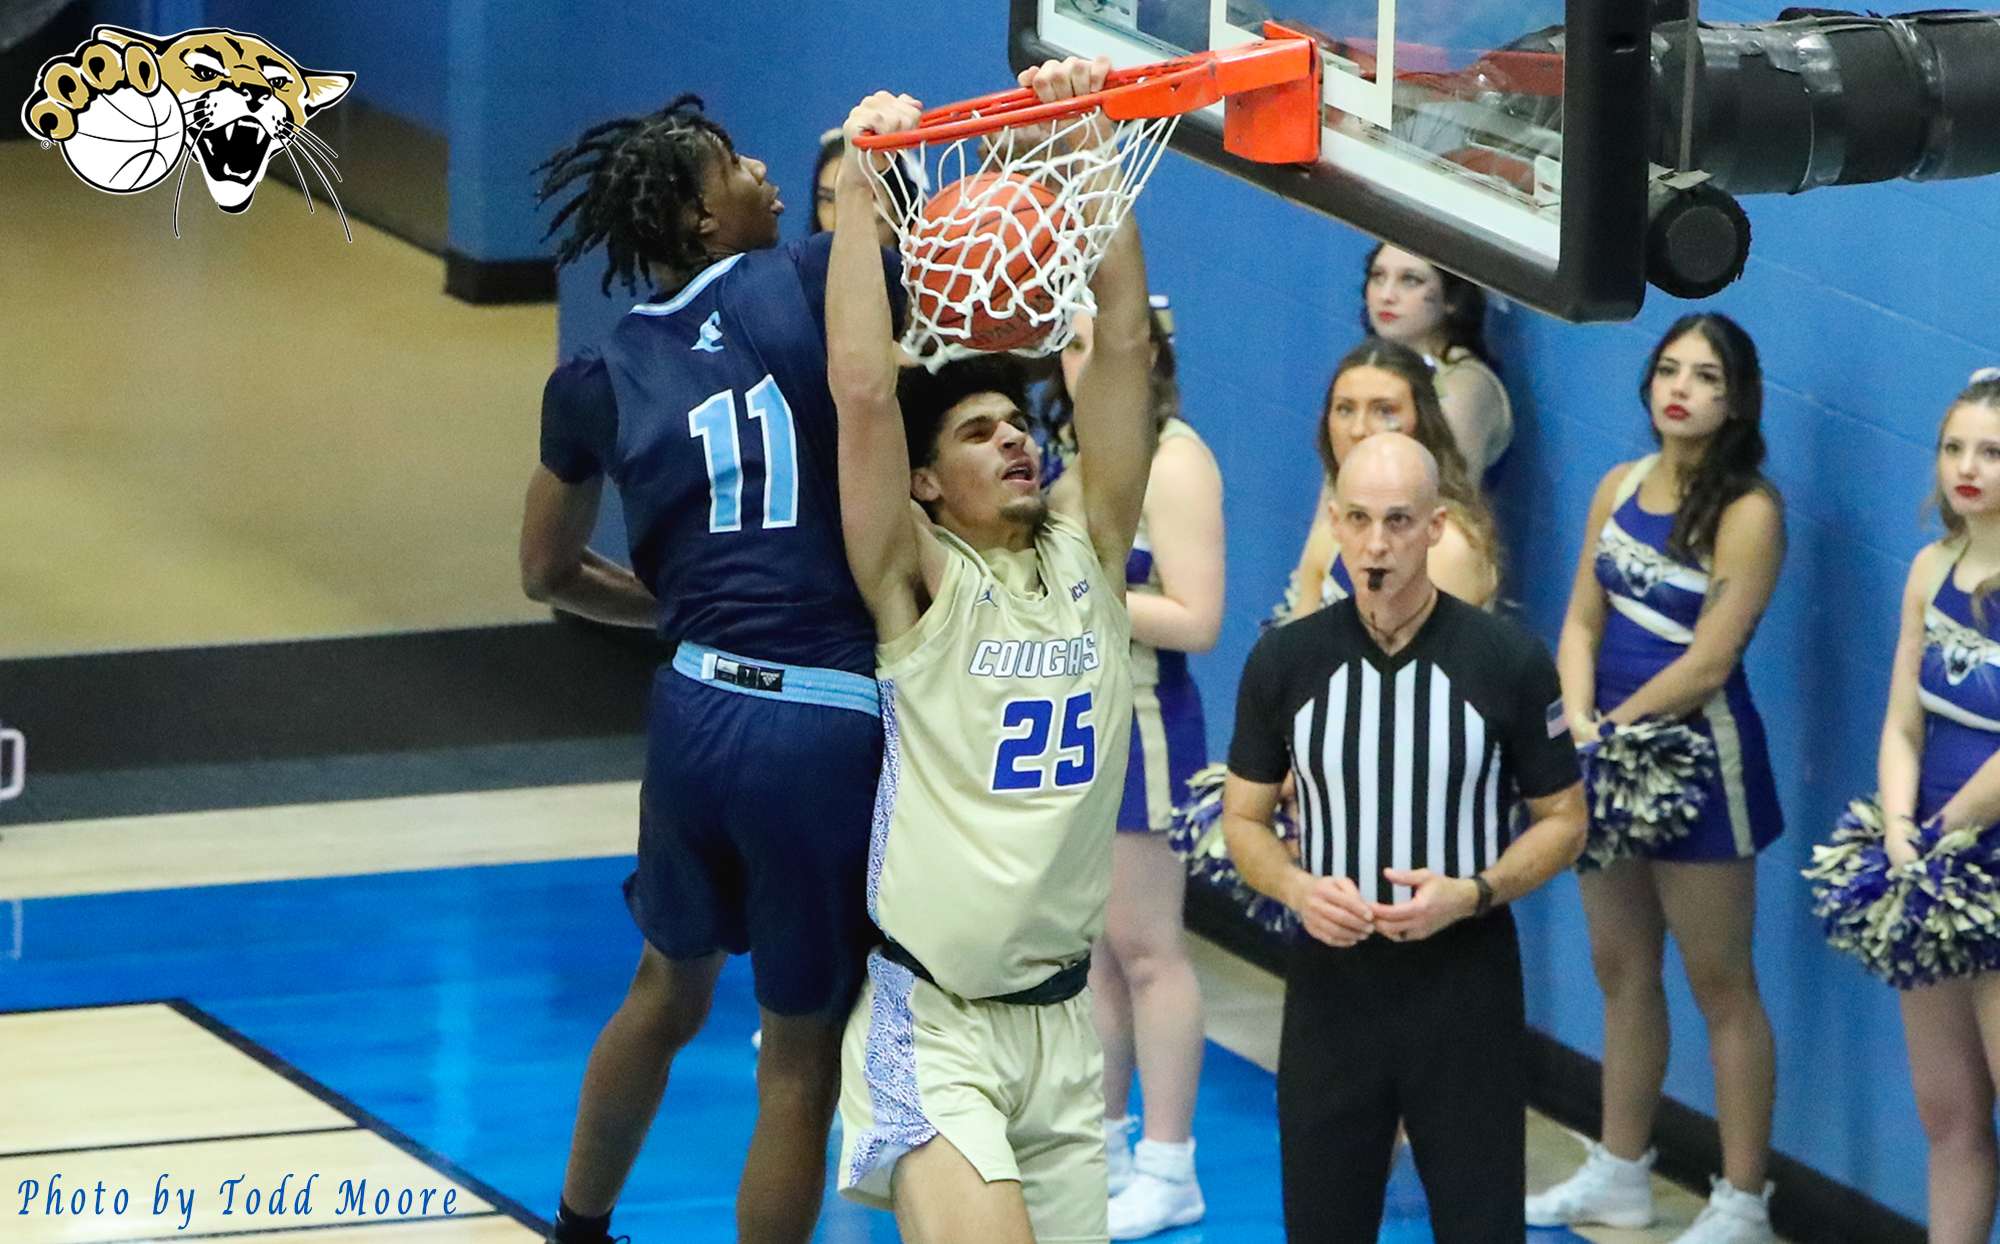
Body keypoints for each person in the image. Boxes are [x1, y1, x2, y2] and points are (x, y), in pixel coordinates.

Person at [521, 94, 902, 1244]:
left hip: (692, 704)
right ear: (698, 218)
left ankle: (577, 1228)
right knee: (796, 1061)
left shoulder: (597, 371)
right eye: (737, 166)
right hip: (821, 718)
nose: (764, 174)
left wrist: (679, 612)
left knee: (665, 989)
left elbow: (543, 571)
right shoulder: (806, 277)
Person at [824, 59, 1156, 1244]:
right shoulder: (915, 578)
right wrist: (867, 195)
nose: (1014, 438)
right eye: (976, 430)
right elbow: (864, 393)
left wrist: (1083, 147)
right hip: (937, 1018)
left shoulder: (1089, 545)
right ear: (926, 481)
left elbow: (1118, 339)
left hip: (1060, 1030)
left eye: (1019, 423)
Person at [1221, 432, 1586, 1243]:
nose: (1376, 545)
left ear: (1436, 526)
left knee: (1481, 1221)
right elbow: (1243, 819)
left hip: (1465, 986)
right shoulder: (1284, 662)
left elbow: (1564, 818)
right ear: (1335, 523)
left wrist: (1477, 892)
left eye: (1397, 521)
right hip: (1331, 990)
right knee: (1321, 1222)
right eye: (1358, 520)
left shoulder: (1508, 663)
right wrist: (1296, 888)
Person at [1529, 312, 1785, 1244]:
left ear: (1736, 399)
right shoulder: (1619, 484)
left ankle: (1743, 1200)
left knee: (1721, 981)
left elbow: (1712, 661)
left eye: (1706, 376)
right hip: (1604, 752)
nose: (1681, 388)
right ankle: (1620, 1171)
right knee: (1620, 967)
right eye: (1669, 369)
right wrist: (1581, 722)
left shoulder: (1750, 512)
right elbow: (1581, 623)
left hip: (1699, 764)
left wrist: (1615, 732)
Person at [1045, 301, 1223, 1236]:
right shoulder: (1073, 456)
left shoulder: (1177, 458)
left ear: (1149, 354)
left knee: (1152, 952)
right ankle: (1105, 1144)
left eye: (1104, 343)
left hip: (1146, 721)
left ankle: (1170, 1161)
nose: (1085, 362)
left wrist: (1081, 589)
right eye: (1070, 345)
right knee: (1096, 958)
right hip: (1078, 722)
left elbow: (1197, 616)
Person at [1872, 372, 2000, 1243]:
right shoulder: (1930, 566)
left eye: (1991, 452)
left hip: (1984, 853)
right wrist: (1895, 828)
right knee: (1947, 1111)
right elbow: (1902, 722)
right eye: (1955, 448)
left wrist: (1951, 824)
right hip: (1927, 858)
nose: (1968, 467)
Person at [1288, 338, 1500, 615]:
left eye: (1384, 410)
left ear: (1422, 424)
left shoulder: (1443, 546)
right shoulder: (1331, 533)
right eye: (1345, 409)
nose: (1358, 429)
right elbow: (1298, 651)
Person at [1359, 243, 1513, 476]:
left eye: (1410, 280)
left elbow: (1451, 499)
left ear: (1452, 299)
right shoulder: (1367, 369)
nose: (1386, 295)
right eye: (1378, 277)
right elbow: (1334, 485)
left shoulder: (1466, 386)